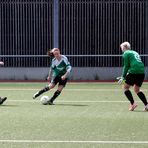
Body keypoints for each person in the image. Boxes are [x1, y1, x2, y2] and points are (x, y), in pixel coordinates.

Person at [117, 41, 148, 111]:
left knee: (125, 88)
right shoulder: (134, 52)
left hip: (134, 72)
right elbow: (135, 64)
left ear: (125, 47)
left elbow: (126, 66)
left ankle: (133, 104)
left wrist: (123, 77)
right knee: (137, 89)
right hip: (142, 72)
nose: (121, 50)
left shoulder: (126, 53)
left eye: (121, 48)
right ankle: (147, 105)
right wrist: (125, 75)